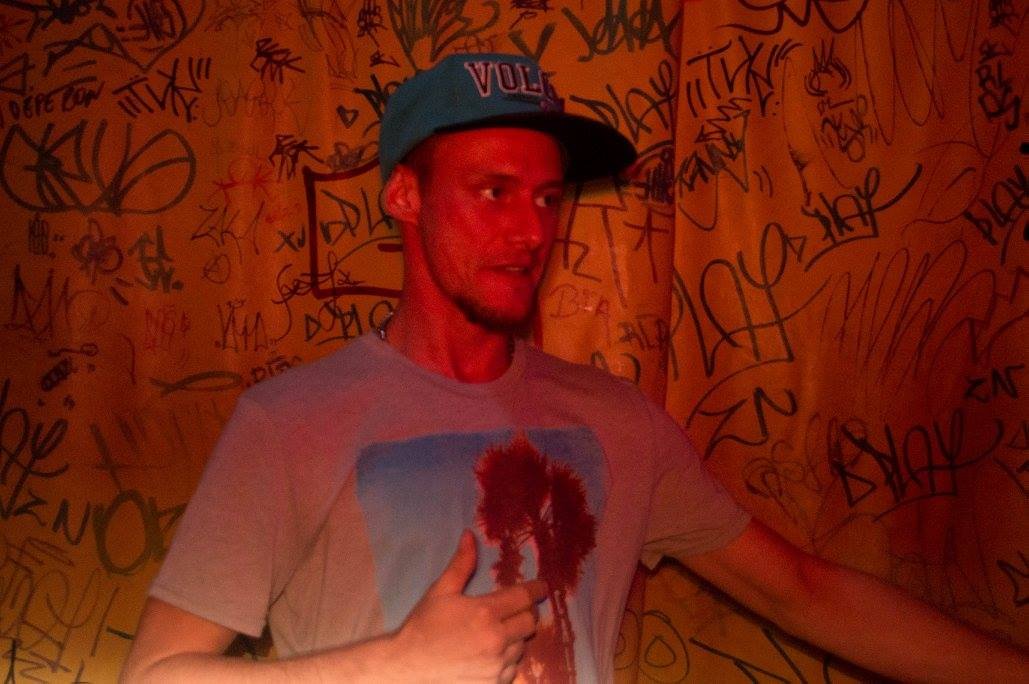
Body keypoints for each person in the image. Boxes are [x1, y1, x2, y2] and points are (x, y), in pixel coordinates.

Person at [121, 53, 1026, 683]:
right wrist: (390, 667)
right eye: (493, 192)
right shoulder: (292, 421)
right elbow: (154, 675)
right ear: (405, 195)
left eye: (548, 198)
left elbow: (803, 592)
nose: (531, 231)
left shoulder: (616, 421)